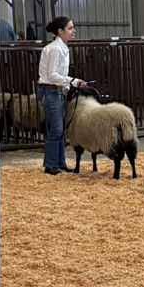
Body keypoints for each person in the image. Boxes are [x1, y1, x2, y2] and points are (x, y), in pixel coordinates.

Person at [36, 16, 86, 175]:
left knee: (60, 129)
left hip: (56, 90)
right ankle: (50, 165)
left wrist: (72, 83)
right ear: (60, 31)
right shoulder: (55, 49)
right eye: (70, 28)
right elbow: (52, 75)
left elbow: (58, 75)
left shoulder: (62, 48)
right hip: (50, 90)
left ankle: (59, 162)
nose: (73, 31)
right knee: (57, 129)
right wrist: (73, 81)